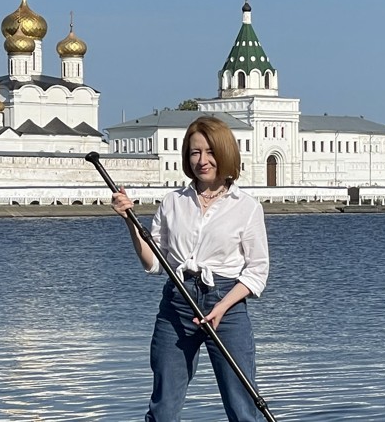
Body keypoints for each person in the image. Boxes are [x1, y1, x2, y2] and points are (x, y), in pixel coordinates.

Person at [111, 115, 269, 421]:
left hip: (227, 305)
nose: (202, 160)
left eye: (210, 152)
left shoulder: (247, 207)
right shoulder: (173, 202)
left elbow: (256, 272)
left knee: (242, 405)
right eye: (195, 152)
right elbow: (155, 262)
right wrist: (130, 221)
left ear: (225, 154)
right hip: (178, 304)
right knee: (164, 407)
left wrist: (222, 307)